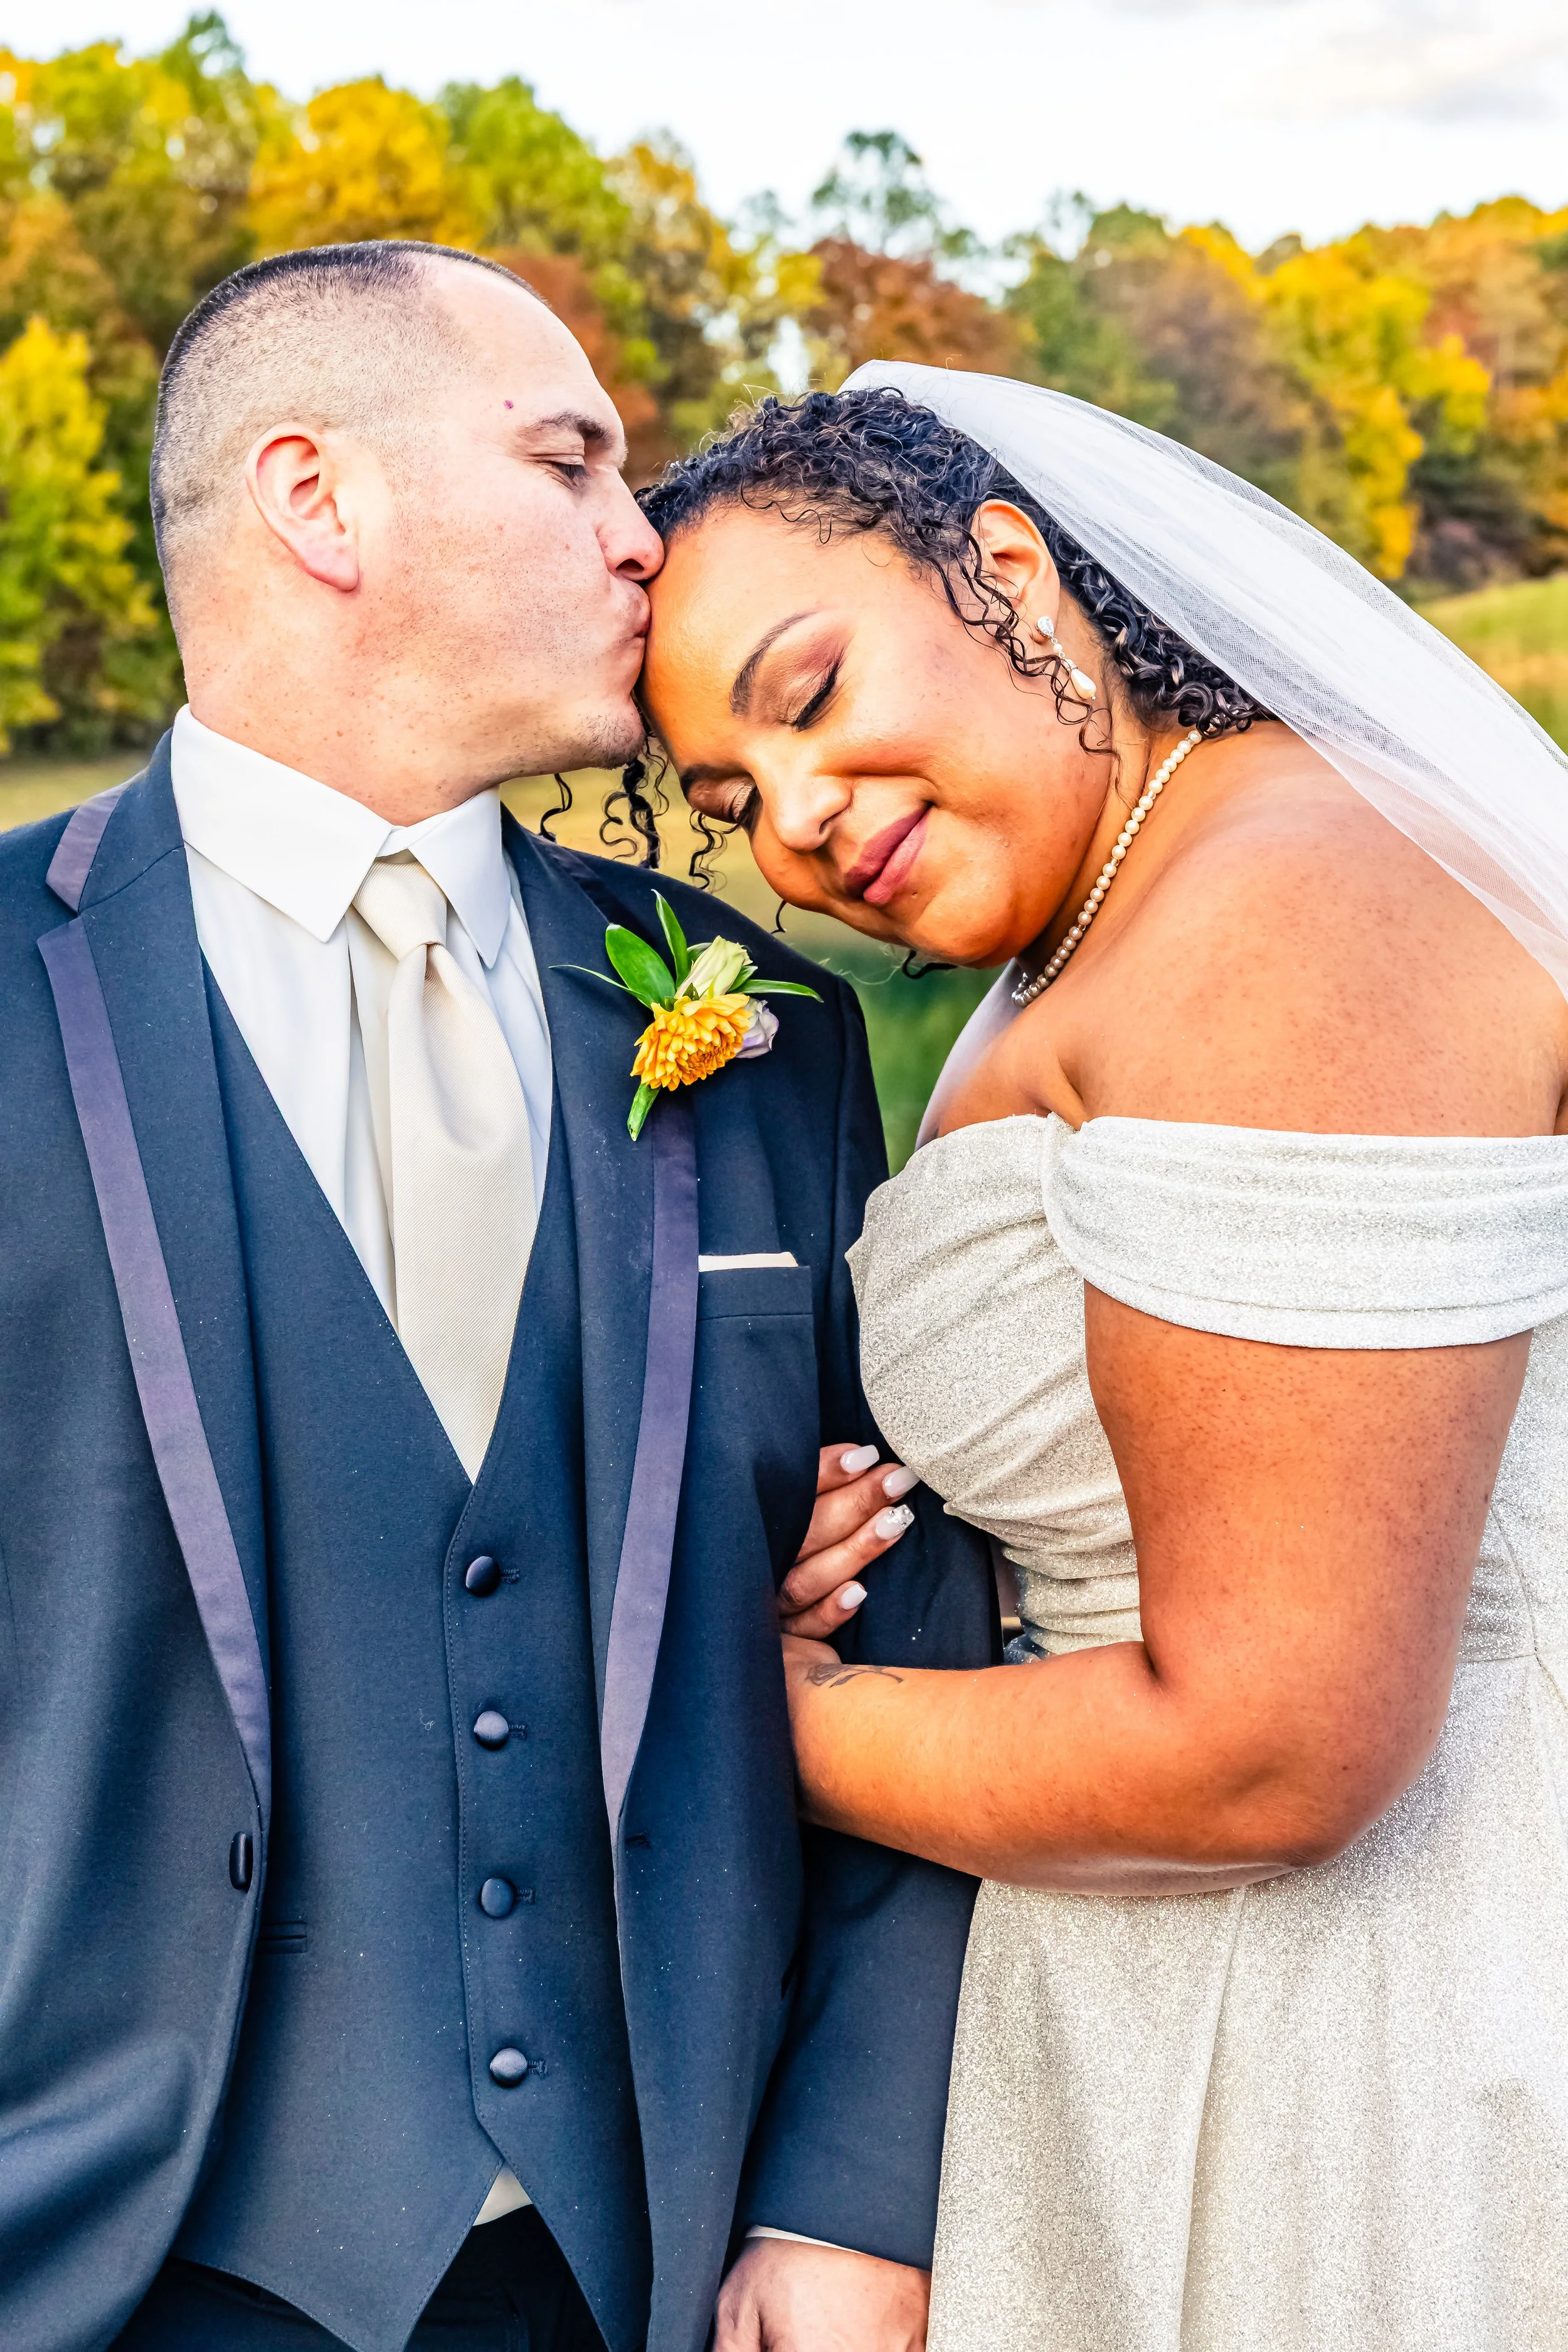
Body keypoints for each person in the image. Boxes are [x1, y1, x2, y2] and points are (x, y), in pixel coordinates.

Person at [0, 252, 994, 2352]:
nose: (646, 534)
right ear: (317, 501)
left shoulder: (768, 1033)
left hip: (666, 2248)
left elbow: (925, 1609)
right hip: (102, 2253)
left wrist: (848, 2191)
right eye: (572, 461)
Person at [636, 367, 1568, 2351]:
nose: (792, 823)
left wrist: (764, 1714)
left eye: (804, 696)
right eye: (727, 804)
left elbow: (1276, 1736)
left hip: (1359, 2030)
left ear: (1008, 574)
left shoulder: (1291, 905)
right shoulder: (1104, 929)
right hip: (1151, 1975)